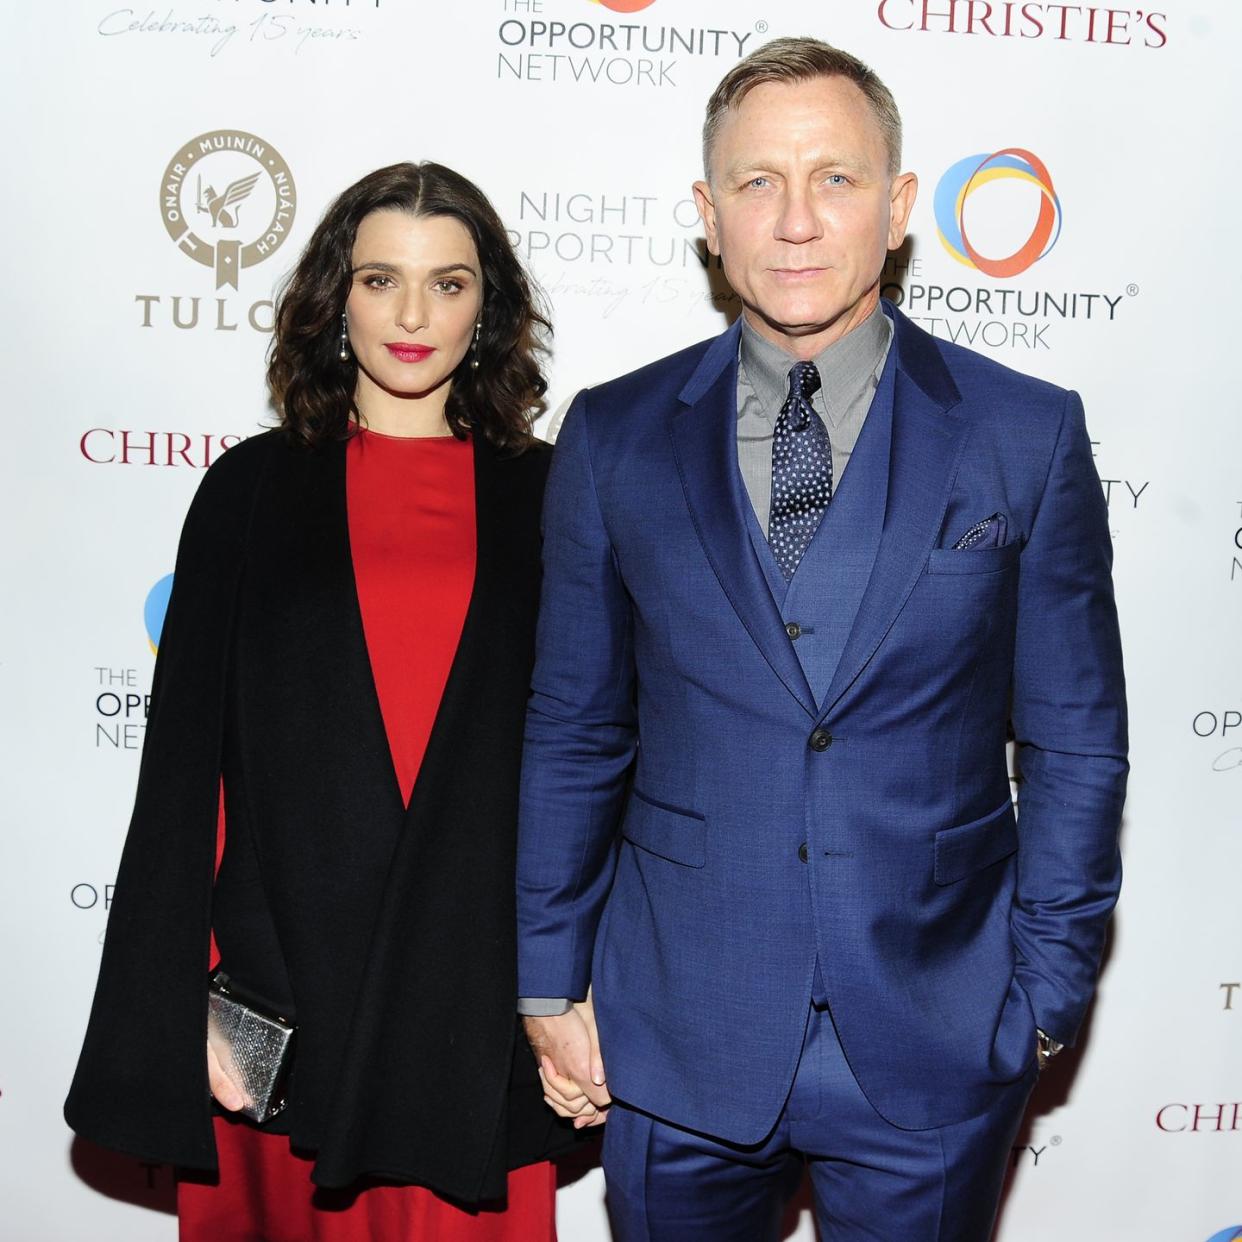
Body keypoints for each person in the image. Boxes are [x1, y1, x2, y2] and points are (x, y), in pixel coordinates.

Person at [516, 37, 1127, 1241]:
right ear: (707, 215)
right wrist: (547, 977)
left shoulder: (1025, 433)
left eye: (836, 179)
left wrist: (1045, 997)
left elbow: (1077, 741)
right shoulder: (613, 436)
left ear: (900, 209)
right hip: (677, 1032)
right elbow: (574, 728)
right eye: (757, 183)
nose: (796, 220)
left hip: (937, 1031)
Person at [66, 161, 574, 1241]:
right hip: (278, 1003)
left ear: (489, 309)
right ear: (334, 297)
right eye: (380, 278)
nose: (411, 314)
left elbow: (594, 769)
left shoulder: (551, 498)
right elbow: (185, 772)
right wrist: (188, 994)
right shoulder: (248, 492)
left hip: (468, 1009)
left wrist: (576, 993)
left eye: (449, 284)